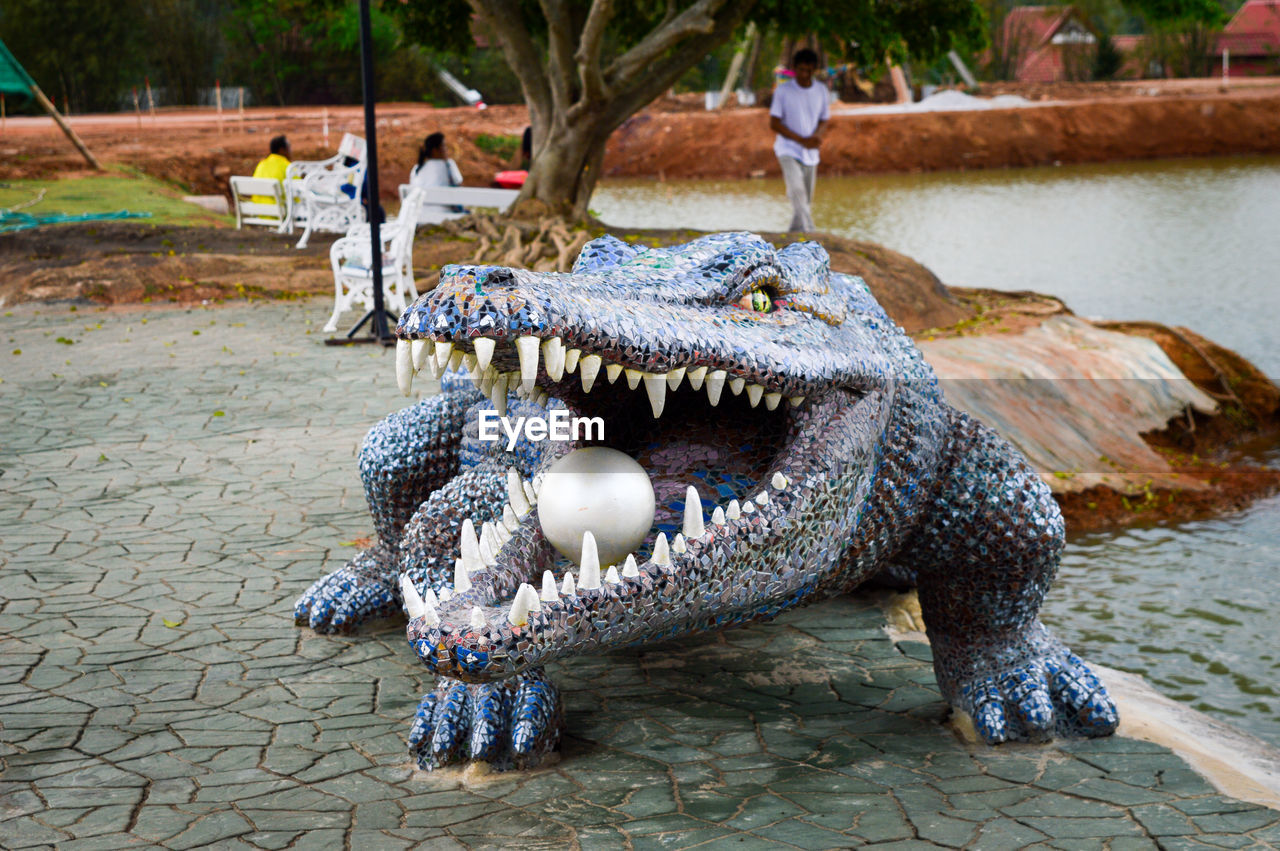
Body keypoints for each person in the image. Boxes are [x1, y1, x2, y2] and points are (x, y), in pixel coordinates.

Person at [769, 49, 829, 233]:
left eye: (809, 71)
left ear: (815, 70)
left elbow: (824, 119)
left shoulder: (821, 90)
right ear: (794, 69)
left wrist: (817, 136)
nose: (805, 75)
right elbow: (774, 123)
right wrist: (800, 140)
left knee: (805, 200)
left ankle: (793, 234)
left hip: (811, 152)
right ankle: (811, 233)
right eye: (801, 70)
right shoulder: (783, 91)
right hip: (788, 149)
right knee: (797, 191)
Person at [409, 132, 464, 215]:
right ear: (435, 150)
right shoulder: (449, 164)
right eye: (444, 146)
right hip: (446, 215)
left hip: (420, 216)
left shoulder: (416, 169)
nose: (446, 149)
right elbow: (459, 186)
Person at [250, 135, 291, 205]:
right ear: (281, 150)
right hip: (279, 213)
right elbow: (298, 192)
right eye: (289, 148)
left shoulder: (261, 165)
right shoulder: (288, 167)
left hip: (259, 211)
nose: (290, 151)